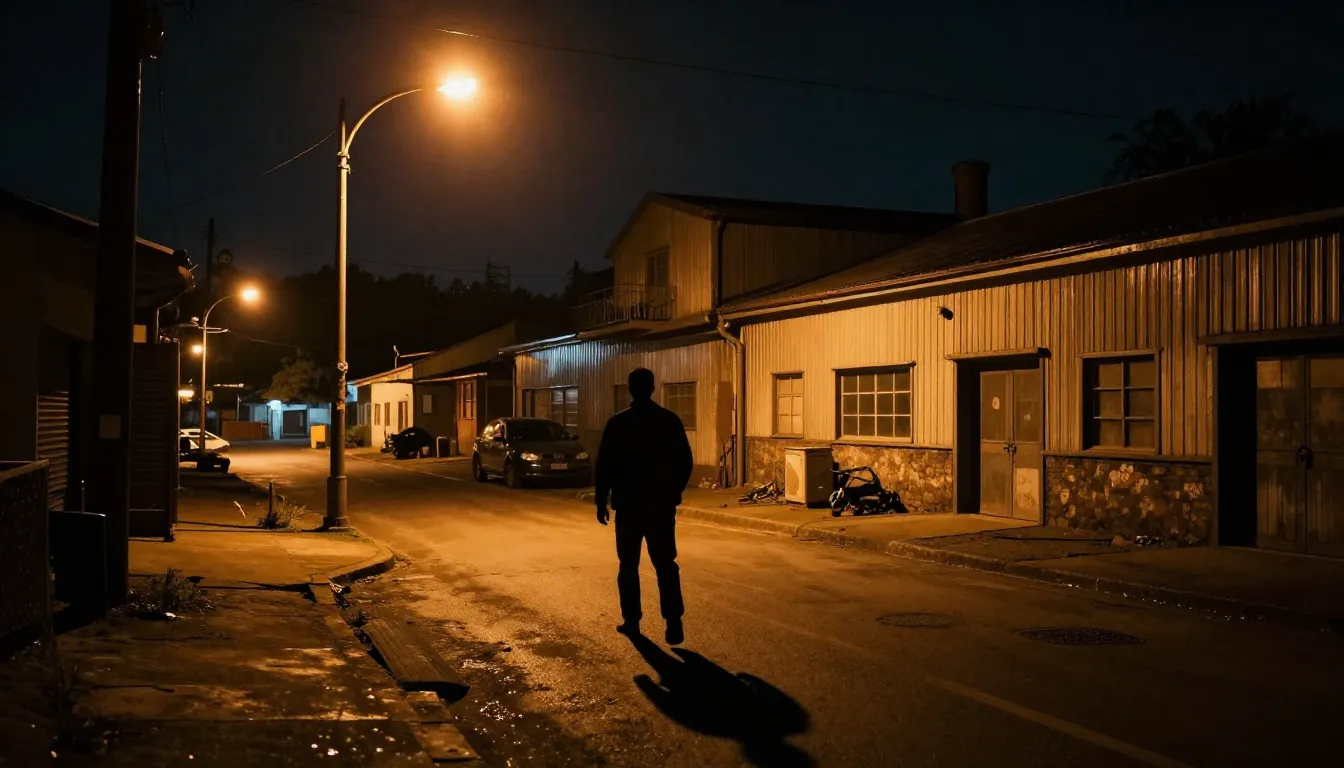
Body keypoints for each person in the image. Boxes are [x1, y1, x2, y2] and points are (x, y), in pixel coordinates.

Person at [595, 367, 694, 645]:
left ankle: (632, 621)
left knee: (628, 565)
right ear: (652, 388)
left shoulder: (618, 424)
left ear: (630, 389)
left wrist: (601, 500)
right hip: (660, 506)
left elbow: (604, 465)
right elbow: (685, 461)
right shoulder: (669, 421)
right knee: (665, 564)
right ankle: (673, 621)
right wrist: (673, 491)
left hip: (628, 506)